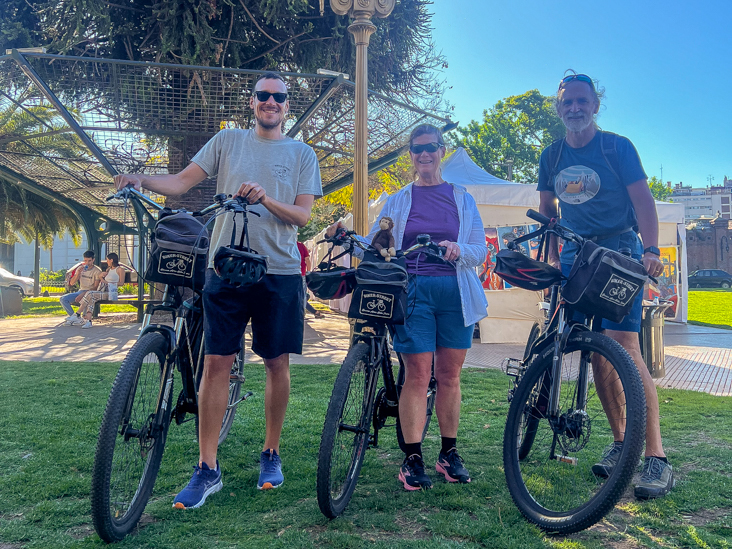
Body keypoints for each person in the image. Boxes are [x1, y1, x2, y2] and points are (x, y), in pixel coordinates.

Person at [113, 72, 322, 508]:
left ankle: (271, 452)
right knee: (215, 364)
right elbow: (182, 181)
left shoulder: (302, 153)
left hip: (279, 271)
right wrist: (140, 179)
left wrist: (264, 199)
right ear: (252, 102)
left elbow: (302, 217)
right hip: (224, 267)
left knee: (276, 363)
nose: (271, 102)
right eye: (263, 96)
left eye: (278, 97)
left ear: (287, 105)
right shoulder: (227, 141)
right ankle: (208, 468)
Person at [327, 124, 488, 490]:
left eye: (431, 147)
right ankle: (412, 458)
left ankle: (449, 453)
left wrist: (459, 249)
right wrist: (345, 238)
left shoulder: (461, 198)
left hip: (455, 293)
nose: (425, 154)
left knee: (449, 376)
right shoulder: (398, 199)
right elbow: (376, 246)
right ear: (411, 155)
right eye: (417, 149)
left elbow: (480, 250)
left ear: (442, 150)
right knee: (417, 374)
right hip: (412, 291)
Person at [537, 71, 673, 499]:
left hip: (618, 251)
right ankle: (620, 442)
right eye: (567, 103)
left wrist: (649, 249)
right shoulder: (551, 155)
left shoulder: (617, 147)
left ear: (595, 105)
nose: (574, 108)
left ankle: (656, 457)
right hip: (577, 254)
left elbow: (643, 202)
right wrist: (555, 260)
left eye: (582, 101)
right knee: (595, 353)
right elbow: (548, 213)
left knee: (625, 348)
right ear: (558, 109)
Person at [74, 253, 125, 329]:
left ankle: (77, 314)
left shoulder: (120, 269)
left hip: (111, 293)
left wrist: (109, 283)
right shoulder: (108, 269)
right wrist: (101, 277)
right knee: (91, 298)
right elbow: (103, 281)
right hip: (103, 291)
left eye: (107, 260)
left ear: (111, 260)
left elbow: (121, 283)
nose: (107, 262)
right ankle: (88, 321)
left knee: (90, 293)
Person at [61, 250, 102, 325]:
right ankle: (76, 318)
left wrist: (83, 294)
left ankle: (76, 318)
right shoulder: (81, 268)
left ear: (93, 260)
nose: (87, 263)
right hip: (80, 291)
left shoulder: (97, 271)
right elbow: (72, 283)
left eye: (89, 261)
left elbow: (95, 287)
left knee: (86, 299)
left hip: (90, 292)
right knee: (63, 299)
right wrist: (77, 274)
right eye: (85, 260)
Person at [297, 241, 321, 318]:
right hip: (301, 273)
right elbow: (307, 259)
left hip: (288, 273)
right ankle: (301, 312)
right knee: (303, 295)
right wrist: (308, 271)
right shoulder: (301, 245)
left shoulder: (286, 244)